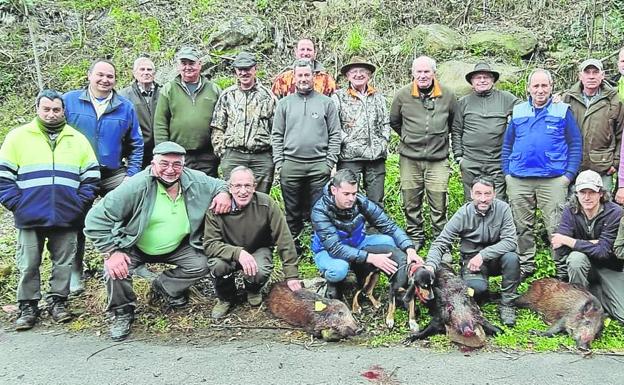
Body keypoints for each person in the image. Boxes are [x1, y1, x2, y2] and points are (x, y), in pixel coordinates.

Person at [83, 141, 231, 341]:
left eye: (176, 164)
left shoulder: (194, 181)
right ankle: (122, 312)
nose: (170, 170)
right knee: (115, 270)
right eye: (164, 163)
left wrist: (223, 194)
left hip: (177, 246)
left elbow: (220, 184)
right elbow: (95, 219)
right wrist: (111, 251)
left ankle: (163, 286)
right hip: (134, 244)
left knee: (202, 263)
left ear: (183, 165)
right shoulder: (136, 186)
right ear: (153, 163)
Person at [0, 89, 100, 330]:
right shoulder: (18, 137)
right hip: (29, 214)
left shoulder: (77, 139)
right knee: (28, 262)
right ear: (37, 109)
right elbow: (3, 177)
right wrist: (17, 204)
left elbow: (92, 177)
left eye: (56, 109)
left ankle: (58, 302)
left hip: (67, 215)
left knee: (63, 262)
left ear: (63, 110)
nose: (52, 114)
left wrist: (79, 204)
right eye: (46, 109)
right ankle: (28, 306)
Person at [63, 59, 144, 294]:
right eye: (100, 75)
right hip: (79, 173)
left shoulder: (125, 106)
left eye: (110, 76)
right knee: (76, 220)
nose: (104, 80)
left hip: (112, 172)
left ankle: (128, 262)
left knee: (129, 210)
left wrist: (131, 175)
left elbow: (136, 144)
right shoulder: (70, 101)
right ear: (89, 75)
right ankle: (75, 270)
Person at [502, 69, 583, 278]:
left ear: (551, 87)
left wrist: (568, 176)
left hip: (553, 180)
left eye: (544, 85)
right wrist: (507, 173)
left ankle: (561, 268)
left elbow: (575, 143)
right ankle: (526, 265)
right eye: (536, 86)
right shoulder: (518, 111)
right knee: (521, 225)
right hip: (519, 178)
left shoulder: (562, 110)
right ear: (529, 88)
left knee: (556, 225)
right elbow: (507, 144)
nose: (540, 90)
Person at [204, 166, 302, 319]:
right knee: (217, 265)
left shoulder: (266, 204)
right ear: (229, 187)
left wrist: (292, 275)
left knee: (261, 269)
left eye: (247, 185)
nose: (243, 191)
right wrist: (238, 253)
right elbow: (210, 245)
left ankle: (253, 289)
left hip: (257, 248)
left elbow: (284, 239)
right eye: (237, 186)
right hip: (227, 251)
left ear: (254, 187)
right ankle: (226, 298)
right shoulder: (217, 208)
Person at [310, 169, 422, 299]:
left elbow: (389, 226)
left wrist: (410, 248)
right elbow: (335, 248)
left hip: (357, 243)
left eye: (354, 193)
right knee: (339, 270)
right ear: (334, 190)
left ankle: (374, 274)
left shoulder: (361, 202)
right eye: (346, 194)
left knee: (389, 242)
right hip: (328, 251)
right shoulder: (320, 211)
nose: (351, 198)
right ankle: (333, 283)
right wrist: (371, 258)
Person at [424, 176, 520, 326]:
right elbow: (440, 243)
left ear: (494, 194)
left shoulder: (503, 209)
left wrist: (483, 255)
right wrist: (430, 266)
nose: (483, 199)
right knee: (477, 290)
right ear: (471, 194)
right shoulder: (463, 214)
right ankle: (484, 291)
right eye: (478, 193)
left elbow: (510, 241)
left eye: (487, 194)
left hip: (496, 259)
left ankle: (507, 304)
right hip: (471, 261)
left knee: (512, 258)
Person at [389, 55, 457, 250]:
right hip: (409, 158)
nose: (423, 75)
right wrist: (409, 137)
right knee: (411, 200)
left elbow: (454, 124)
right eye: (419, 71)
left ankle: (440, 242)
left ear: (434, 73)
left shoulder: (448, 95)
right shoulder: (402, 95)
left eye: (427, 71)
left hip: (438, 159)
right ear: (412, 73)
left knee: (438, 201)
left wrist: (441, 140)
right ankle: (415, 236)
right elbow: (394, 121)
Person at [272, 59, 341, 250]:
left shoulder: (326, 103)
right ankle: (294, 246)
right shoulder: (284, 104)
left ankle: (318, 246)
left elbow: (335, 134)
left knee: (318, 210)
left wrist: (329, 163)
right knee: (292, 211)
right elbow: (276, 134)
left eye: (307, 75)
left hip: (319, 165)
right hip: (290, 165)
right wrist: (280, 163)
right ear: (294, 77)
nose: (303, 78)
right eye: (300, 75)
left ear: (313, 77)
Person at [554, 170, 624, 323]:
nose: (586, 197)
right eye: (582, 192)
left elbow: (604, 252)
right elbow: (559, 247)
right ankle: (578, 306)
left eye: (592, 192)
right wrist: (594, 242)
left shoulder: (615, 212)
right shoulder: (569, 211)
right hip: (584, 265)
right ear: (576, 193)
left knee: (622, 315)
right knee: (576, 259)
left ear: (600, 193)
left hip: (610, 266)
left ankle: (596, 296)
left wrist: (571, 241)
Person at [452, 62, 520, 201]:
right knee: (472, 202)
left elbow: (528, 109)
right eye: (478, 77)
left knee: (498, 201)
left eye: (486, 77)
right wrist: (459, 157)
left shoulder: (506, 98)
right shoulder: (463, 102)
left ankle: (497, 224)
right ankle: (473, 224)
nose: (482, 80)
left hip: (497, 161)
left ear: (493, 80)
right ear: (472, 82)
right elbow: (456, 130)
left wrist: (552, 101)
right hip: (470, 161)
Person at [211, 52, 277, 193]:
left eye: (247, 68)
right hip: (233, 156)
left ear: (255, 69)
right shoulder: (227, 95)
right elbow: (217, 126)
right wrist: (222, 151)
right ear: (235, 71)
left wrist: (272, 155)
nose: (243, 72)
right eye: (240, 69)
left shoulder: (268, 96)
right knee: (232, 196)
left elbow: (277, 129)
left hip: (261, 157)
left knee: (260, 199)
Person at [331, 56, 390, 207]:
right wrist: (347, 141)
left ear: (369, 75)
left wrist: (383, 141)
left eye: (363, 71)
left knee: (376, 201)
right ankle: (351, 229)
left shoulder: (378, 97)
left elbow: (386, 122)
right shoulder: (338, 97)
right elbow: (333, 125)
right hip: (350, 157)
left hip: (376, 157)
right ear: (347, 76)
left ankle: (374, 229)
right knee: (348, 199)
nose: (358, 74)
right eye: (354, 71)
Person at [154, 46, 221, 177]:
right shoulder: (169, 89)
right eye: (184, 63)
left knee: (207, 190)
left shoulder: (214, 89)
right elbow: (160, 123)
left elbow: (223, 121)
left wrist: (219, 150)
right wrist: (164, 151)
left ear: (200, 64)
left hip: (208, 155)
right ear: (178, 66)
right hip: (178, 154)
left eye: (191, 63)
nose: (187, 67)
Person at [562, 59, 623, 194]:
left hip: (603, 165)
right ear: (580, 76)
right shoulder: (567, 99)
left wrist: (615, 163)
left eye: (595, 72)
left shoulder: (614, 100)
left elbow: (621, 134)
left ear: (602, 75)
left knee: (602, 208)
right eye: (587, 72)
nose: (591, 76)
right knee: (575, 207)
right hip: (573, 165)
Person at [119, 56, 161, 169]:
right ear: (134, 73)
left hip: (161, 150)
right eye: (142, 69)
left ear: (154, 73)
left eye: (149, 70)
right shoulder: (124, 96)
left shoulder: (164, 92)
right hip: (136, 151)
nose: (146, 73)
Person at [271, 38, 336, 98]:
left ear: (315, 52)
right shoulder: (283, 80)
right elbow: (274, 105)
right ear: (296, 52)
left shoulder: (327, 81)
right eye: (302, 49)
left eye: (309, 50)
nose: (305, 53)